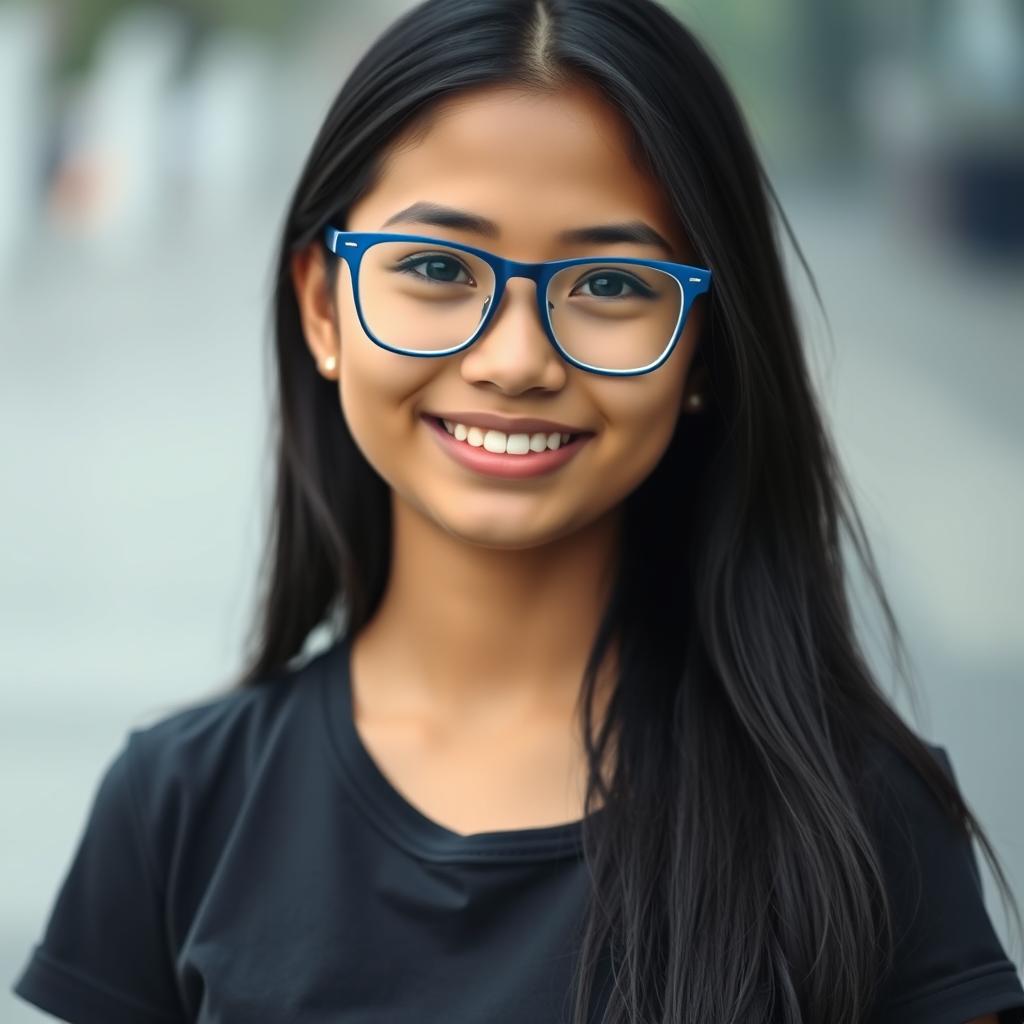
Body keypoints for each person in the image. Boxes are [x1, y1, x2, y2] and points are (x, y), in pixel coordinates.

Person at [11, 0, 1024, 1021]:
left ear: (704, 347)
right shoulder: (178, 807)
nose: (516, 360)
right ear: (323, 305)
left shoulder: (861, 818)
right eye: (439, 268)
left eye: (612, 283)